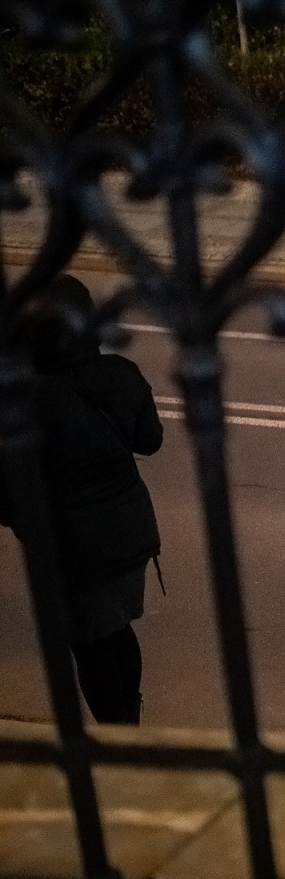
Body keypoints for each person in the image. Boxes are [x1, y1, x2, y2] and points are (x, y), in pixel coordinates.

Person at [0, 276, 163, 725]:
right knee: (117, 629)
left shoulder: (19, 397)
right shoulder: (119, 374)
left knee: (91, 645)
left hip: (67, 548)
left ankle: (117, 738)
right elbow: (150, 440)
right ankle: (129, 721)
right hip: (130, 532)